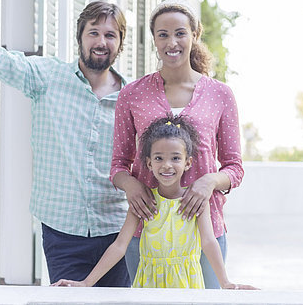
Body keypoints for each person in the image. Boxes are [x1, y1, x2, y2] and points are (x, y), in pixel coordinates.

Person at [0, 0, 131, 287]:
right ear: (81, 36)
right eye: (94, 32)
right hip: (62, 233)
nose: (101, 41)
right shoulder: (47, 76)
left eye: (110, 34)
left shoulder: (132, 97)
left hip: (118, 233)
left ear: (120, 43)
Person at [110, 0, 244, 289]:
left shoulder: (220, 94)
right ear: (154, 40)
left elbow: (234, 167)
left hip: (206, 234)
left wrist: (208, 181)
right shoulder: (131, 94)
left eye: (180, 33)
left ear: (194, 35)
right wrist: (132, 185)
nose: (172, 42)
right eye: (163, 34)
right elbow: (119, 164)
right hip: (147, 233)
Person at [52, 116, 256, 289]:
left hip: (187, 287)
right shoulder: (144, 203)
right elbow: (119, 246)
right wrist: (86, 283)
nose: (166, 165)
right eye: (159, 158)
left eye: (175, 158)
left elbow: (209, 242)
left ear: (188, 162)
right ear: (149, 163)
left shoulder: (195, 203)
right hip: (148, 288)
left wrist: (226, 282)